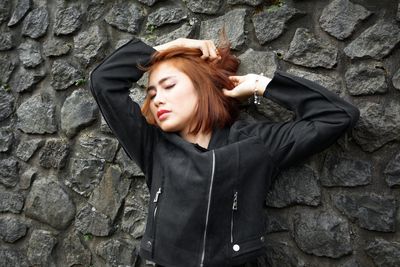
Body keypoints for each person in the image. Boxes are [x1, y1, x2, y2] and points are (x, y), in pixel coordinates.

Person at [89, 37, 360, 267]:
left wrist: (259, 84)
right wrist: (171, 46)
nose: (157, 98)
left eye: (169, 86)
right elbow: (104, 82)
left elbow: (337, 116)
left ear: (203, 87)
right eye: (151, 93)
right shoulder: (152, 146)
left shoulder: (254, 143)